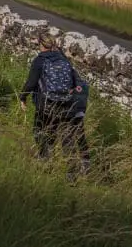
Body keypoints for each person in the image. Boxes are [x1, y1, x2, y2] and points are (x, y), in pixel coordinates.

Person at [19, 32, 90, 180]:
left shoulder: (40, 61)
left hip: (46, 105)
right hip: (66, 104)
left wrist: (22, 97)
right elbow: (75, 80)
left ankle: (45, 161)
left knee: (39, 130)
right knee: (67, 139)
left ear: (41, 44)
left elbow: (31, 83)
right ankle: (72, 175)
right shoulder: (64, 59)